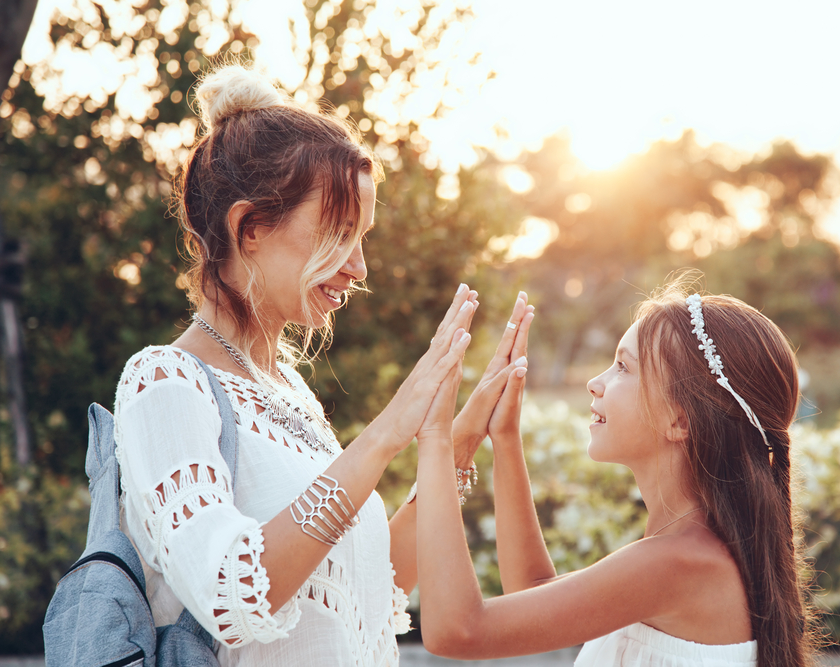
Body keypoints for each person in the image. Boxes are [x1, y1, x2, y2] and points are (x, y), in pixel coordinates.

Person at [112, 64, 533, 666]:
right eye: (338, 233)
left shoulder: (287, 391)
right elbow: (232, 594)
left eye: (362, 237)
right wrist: (387, 435)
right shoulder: (165, 384)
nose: (359, 266)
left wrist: (460, 439)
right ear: (249, 227)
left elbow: (364, 585)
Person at [414, 280, 819, 667]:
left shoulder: (679, 561)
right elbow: (534, 591)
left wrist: (437, 437)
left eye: (623, 368)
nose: (595, 383)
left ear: (679, 420)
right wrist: (504, 438)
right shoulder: (689, 550)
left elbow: (457, 630)